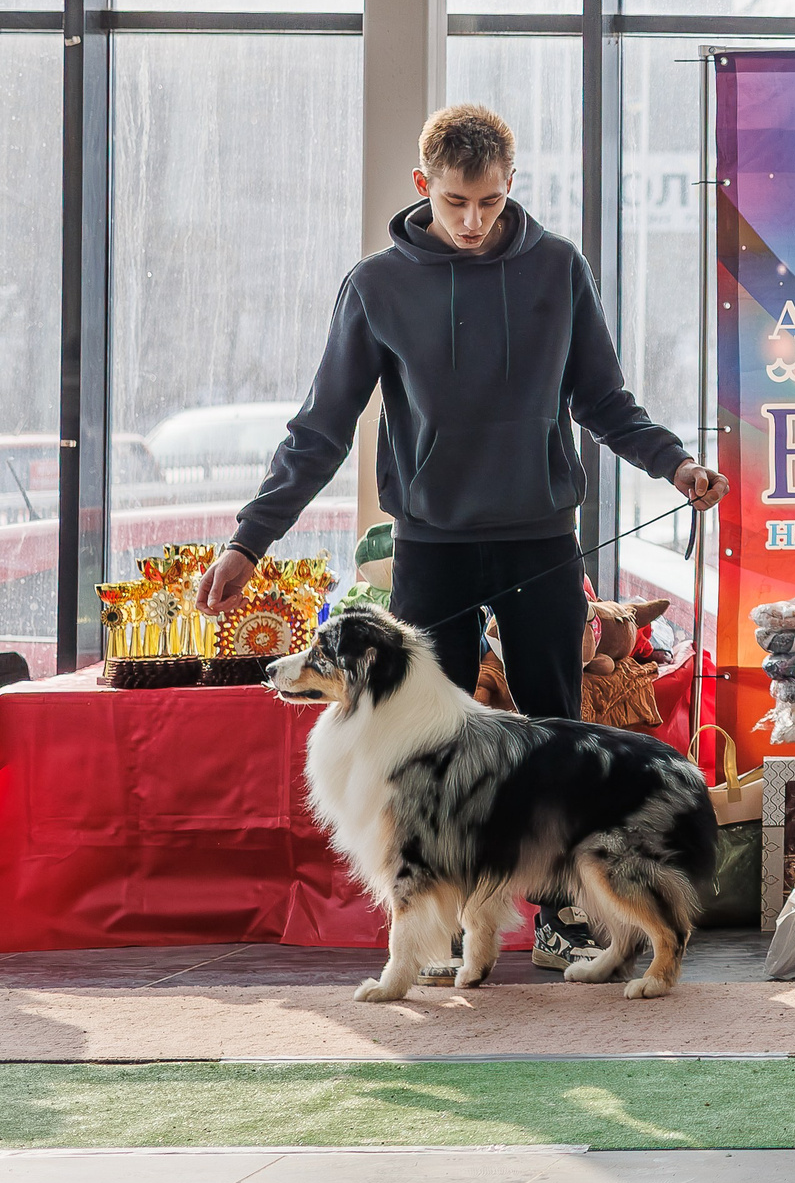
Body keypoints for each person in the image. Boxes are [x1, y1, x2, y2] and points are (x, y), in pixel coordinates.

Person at [197, 104, 728, 975]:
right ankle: (440, 926)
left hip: (541, 541)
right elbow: (321, 429)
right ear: (423, 186)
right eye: (455, 203)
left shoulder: (558, 268)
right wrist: (247, 542)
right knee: (425, 751)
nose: (474, 221)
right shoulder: (377, 286)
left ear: (511, 185)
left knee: (556, 738)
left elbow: (602, 400)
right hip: (433, 546)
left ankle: (560, 915)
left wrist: (673, 464)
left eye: (489, 201)